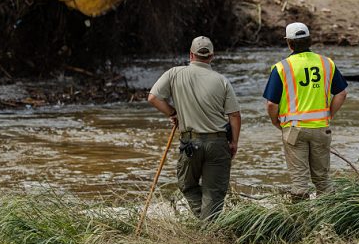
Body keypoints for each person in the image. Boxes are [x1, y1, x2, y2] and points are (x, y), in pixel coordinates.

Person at [148, 35, 241, 220]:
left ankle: (207, 227)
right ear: (212, 56)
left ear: (191, 55)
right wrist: (234, 143)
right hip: (218, 142)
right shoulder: (221, 80)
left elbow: (153, 97)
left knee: (187, 185)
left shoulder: (174, 73)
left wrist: (173, 113)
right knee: (214, 193)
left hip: (190, 142)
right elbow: (235, 116)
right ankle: (209, 226)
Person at [263, 22, 348, 200]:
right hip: (321, 129)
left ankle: (301, 221)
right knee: (323, 179)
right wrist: (329, 114)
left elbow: (272, 104)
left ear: (289, 43)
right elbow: (341, 93)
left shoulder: (282, 68)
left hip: (294, 130)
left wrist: (275, 122)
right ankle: (329, 219)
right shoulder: (327, 63)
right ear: (309, 41)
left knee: (299, 181)